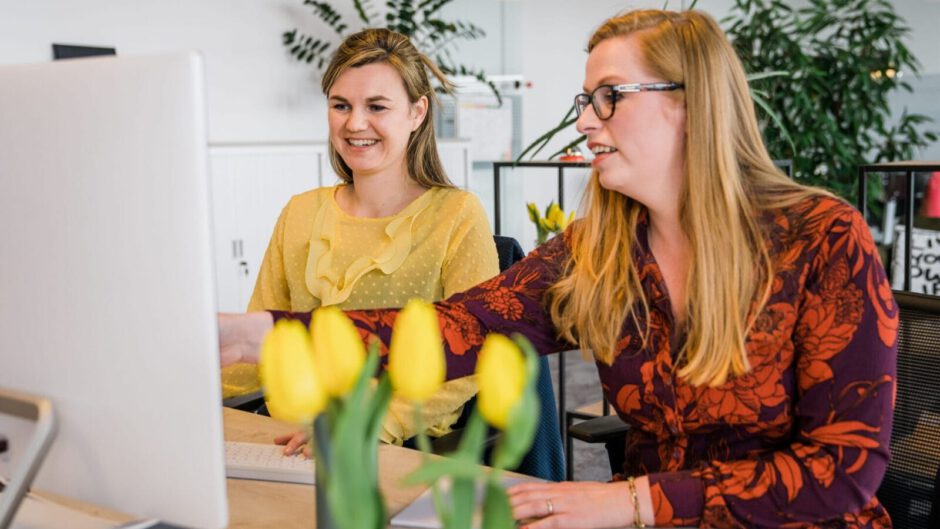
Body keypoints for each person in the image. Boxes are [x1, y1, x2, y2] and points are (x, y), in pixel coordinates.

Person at [220, 9, 898, 528]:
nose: (586, 122)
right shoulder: (598, 250)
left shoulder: (822, 240)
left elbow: (844, 469)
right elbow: (457, 327)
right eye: (585, 101)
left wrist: (628, 502)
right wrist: (263, 333)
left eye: (609, 97)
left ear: (690, 105)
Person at [220, 27, 499, 449]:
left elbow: (471, 355)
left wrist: (374, 426)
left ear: (417, 113)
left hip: (396, 441)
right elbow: (257, 341)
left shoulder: (456, 215)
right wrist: (186, 393)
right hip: (287, 434)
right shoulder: (300, 211)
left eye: (377, 106)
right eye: (341, 105)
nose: (355, 123)